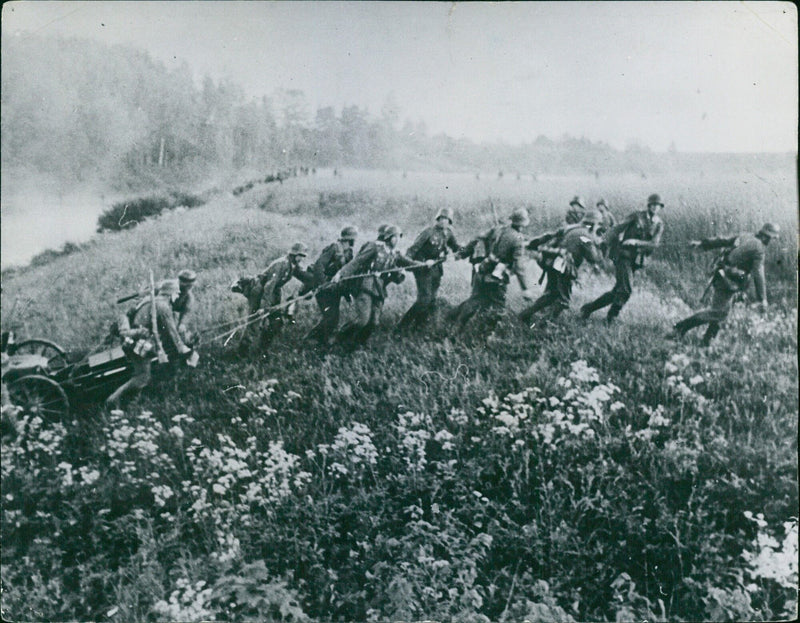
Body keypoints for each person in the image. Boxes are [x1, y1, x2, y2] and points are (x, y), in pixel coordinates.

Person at [667, 223, 780, 346]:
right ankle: (679, 329)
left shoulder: (745, 235)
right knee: (719, 313)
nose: (771, 241)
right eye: (772, 238)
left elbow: (722, 240)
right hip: (728, 281)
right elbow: (758, 274)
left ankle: (707, 342)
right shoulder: (759, 249)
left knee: (722, 310)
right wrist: (762, 299)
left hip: (723, 275)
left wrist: (703, 243)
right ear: (766, 237)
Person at [333, 225, 427, 347]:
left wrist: (425, 264)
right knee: (362, 320)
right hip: (365, 286)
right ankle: (339, 338)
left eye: (399, 237)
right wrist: (341, 273)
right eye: (394, 237)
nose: (397, 240)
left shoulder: (395, 254)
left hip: (379, 289)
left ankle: (359, 343)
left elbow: (411, 263)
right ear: (388, 237)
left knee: (374, 322)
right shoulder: (375, 248)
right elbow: (357, 262)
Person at [106, 280, 193, 407]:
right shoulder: (163, 307)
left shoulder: (150, 302)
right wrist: (183, 348)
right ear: (172, 294)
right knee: (142, 376)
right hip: (140, 344)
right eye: (177, 293)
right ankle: (113, 401)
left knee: (142, 372)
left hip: (134, 341)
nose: (178, 296)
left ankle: (133, 400)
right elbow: (172, 332)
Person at [580, 193, 665, 322]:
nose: (655, 208)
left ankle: (588, 308)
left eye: (658, 206)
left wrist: (635, 242)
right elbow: (617, 228)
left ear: (660, 208)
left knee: (618, 291)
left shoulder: (659, 224)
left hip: (636, 261)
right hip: (623, 255)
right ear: (649, 205)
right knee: (626, 290)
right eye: (653, 205)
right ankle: (611, 317)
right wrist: (603, 241)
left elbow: (654, 244)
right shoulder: (637, 216)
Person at [449, 208, 535, 331]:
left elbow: (477, 238)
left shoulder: (498, 229)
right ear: (523, 224)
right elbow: (519, 266)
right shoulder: (518, 239)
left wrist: (462, 253)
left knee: (474, 302)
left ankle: (455, 328)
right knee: (498, 308)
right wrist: (525, 289)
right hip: (496, 278)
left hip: (482, 270)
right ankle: (486, 336)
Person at [520, 210, 603, 324]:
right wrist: (599, 246)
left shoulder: (570, 228)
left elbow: (548, 236)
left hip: (553, 263)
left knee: (551, 295)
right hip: (564, 268)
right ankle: (545, 324)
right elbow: (594, 258)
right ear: (594, 224)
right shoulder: (586, 236)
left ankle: (525, 315)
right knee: (563, 301)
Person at [397, 207, 462, 330]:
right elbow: (412, 250)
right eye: (441, 219)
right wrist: (409, 264)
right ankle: (401, 327)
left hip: (436, 269)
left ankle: (419, 327)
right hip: (423, 268)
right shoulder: (428, 232)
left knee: (431, 300)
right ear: (437, 219)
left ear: (449, 222)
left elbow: (456, 247)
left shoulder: (448, 233)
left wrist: (464, 250)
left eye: (447, 219)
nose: (443, 221)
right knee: (424, 299)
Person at [302, 226, 359, 344]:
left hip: (335, 289)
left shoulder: (349, 253)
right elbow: (319, 265)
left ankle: (321, 340)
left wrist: (347, 294)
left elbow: (346, 274)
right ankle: (310, 339)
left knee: (334, 318)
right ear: (350, 239)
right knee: (330, 316)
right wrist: (322, 284)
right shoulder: (334, 248)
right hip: (324, 287)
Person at [256, 243, 312, 349]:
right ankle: (243, 353)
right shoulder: (281, 264)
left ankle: (262, 349)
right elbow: (268, 286)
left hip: (272, 292)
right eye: (300, 255)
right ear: (294, 254)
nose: (301, 258)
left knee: (277, 322)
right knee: (254, 323)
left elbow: (304, 276)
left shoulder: (292, 265)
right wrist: (263, 307)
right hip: (259, 291)